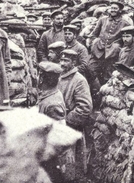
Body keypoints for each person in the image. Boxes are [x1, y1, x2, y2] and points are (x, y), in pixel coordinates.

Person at [57, 49, 92, 182]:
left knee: (70, 165)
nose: (62, 63)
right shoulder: (59, 76)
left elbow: (85, 108)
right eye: (61, 60)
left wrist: (66, 120)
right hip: (57, 125)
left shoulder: (79, 80)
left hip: (70, 127)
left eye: (66, 61)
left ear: (74, 62)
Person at [88, 2, 131, 85]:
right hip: (98, 52)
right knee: (90, 69)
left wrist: (118, 48)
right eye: (112, 8)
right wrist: (94, 43)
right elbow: (93, 34)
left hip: (112, 55)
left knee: (108, 75)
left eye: (115, 8)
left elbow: (127, 40)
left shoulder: (125, 23)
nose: (113, 10)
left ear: (120, 10)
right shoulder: (103, 20)